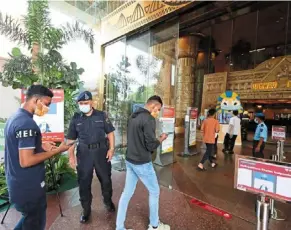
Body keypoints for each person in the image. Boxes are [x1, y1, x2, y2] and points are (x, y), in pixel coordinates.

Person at [4, 85, 71, 230]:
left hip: (18, 183)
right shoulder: (26, 123)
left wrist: (40, 145)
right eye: (46, 104)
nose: (47, 108)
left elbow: (18, 149)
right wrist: (57, 150)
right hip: (28, 187)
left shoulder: (14, 118)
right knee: (35, 221)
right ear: (36, 100)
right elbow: (26, 161)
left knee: (29, 219)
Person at [116, 95, 169, 230]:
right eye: (158, 109)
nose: (158, 112)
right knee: (154, 191)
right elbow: (150, 145)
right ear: (154, 106)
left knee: (126, 193)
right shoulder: (149, 119)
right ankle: (155, 226)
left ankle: (119, 227)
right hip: (142, 162)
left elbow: (137, 139)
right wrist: (161, 139)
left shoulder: (132, 116)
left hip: (130, 160)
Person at [67, 91, 116, 223]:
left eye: (86, 103)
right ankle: (86, 210)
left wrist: (111, 149)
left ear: (92, 103)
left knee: (106, 180)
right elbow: (70, 139)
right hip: (84, 154)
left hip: (101, 152)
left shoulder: (101, 115)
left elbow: (110, 133)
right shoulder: (76, 118)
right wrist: (71, 157)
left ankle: (108, 201)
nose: (83, 105)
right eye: (81, 103)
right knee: (84, 182)